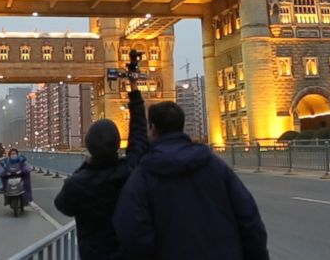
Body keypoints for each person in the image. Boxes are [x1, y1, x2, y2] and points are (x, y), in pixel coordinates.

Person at [113, 101, 269, 260]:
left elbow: (131, 233)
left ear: (152, 129)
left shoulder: (142, 175)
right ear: (181, 126)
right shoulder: (215, 165)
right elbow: (250, 220)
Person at [54, 77, 148, 260]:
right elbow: (139, 135)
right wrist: (135, 93)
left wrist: (86, 166)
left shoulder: (77, 183)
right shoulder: (130, 171)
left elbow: (62, 205)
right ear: (116, 143)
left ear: (89, 147)